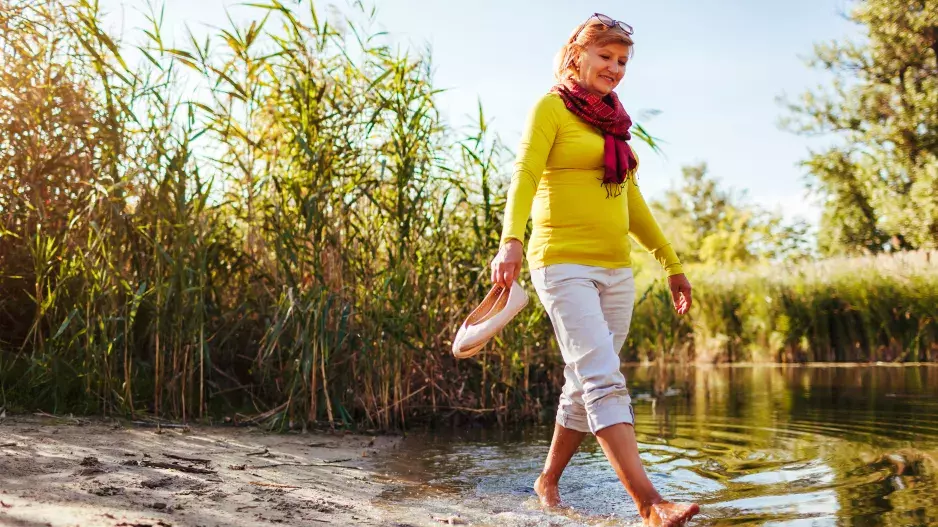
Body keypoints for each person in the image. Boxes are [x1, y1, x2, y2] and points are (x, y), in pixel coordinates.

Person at [489, 13, 700, 527]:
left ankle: (548, 480)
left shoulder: (614, 121)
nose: (615, 67)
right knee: (604, 379)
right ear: (578, 55)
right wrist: (510, 240)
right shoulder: (551, 108)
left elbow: (632, 200)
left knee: (584, 384)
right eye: (605, 56)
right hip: (561, 262)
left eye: (623, 60)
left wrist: (671, 264)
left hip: (615, 271)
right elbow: (524, 175)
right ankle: (650, 503)